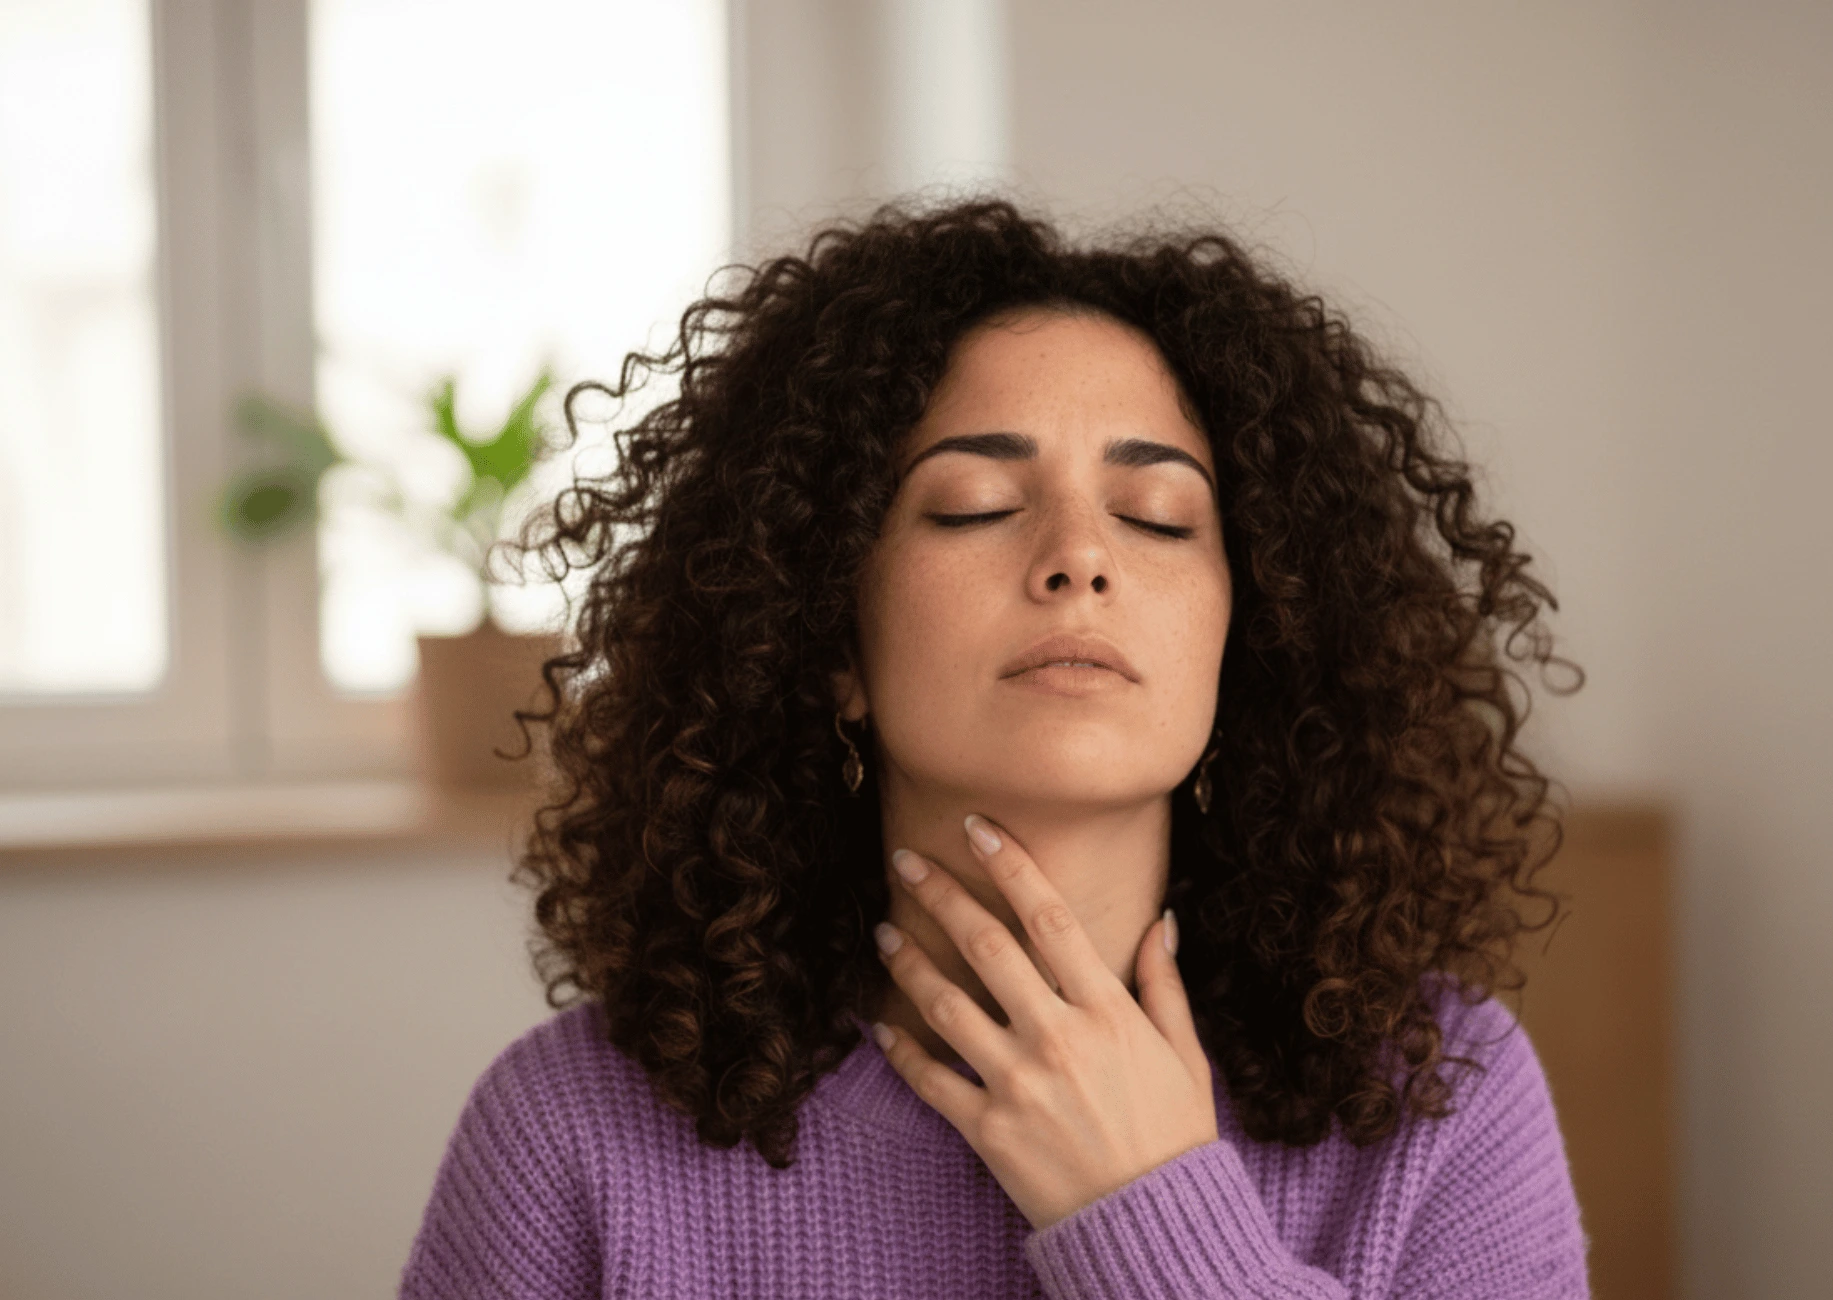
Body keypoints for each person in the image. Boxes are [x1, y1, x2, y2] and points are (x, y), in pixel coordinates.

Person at [398, 197, 1592, 1299]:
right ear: (829, 643)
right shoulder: (570, 1129)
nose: (1080, 555)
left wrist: (1155, 1216)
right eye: (973, 504)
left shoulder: (1439, 1099)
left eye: (1158, 516)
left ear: (1249, 637)